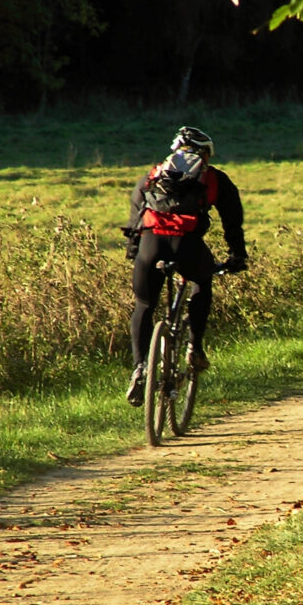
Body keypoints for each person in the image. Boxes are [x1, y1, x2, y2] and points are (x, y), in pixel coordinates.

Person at [122, 126, 248, 407]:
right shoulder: (214, 178)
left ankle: (140, 366)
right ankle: (194, 346)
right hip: (187, 245)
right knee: (202, 281)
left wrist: (135, 253)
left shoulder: (152, 176)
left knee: (144, 304)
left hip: (151, 245)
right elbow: (232, 223)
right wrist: (237, 256)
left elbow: (135, 222)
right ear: (204, 154)